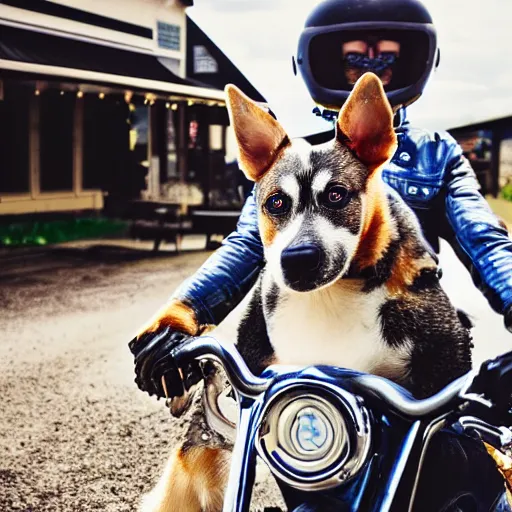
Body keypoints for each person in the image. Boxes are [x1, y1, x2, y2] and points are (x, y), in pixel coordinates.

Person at [130, 0, 512, 417]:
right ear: (323, 60)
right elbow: (247, 243)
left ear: (417, 59)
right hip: (305, 338)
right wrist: (183, 313)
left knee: (464, 444)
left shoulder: (436, 153)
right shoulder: (292, 154)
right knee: (237, 425)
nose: (372, 64)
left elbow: (484, 239)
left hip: (402, 335)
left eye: (387, 52)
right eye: (354, 55)